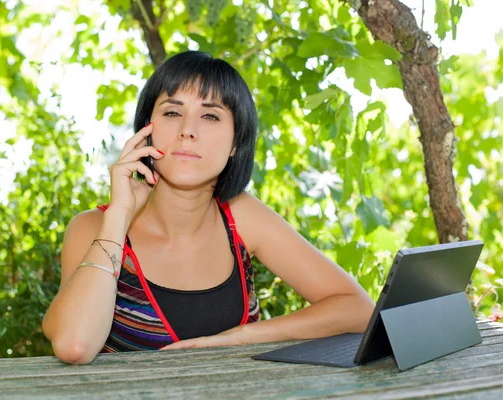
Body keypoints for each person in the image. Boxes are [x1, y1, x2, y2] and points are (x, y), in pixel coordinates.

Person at [42, 51, 374, 365]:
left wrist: (241, 337)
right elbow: (75, 345)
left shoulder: (242, 217)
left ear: (236, 143)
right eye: (172, 112)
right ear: (146, 130)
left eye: (210, 115)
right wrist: (118, 217)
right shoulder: (93, 227)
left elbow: (357, 309)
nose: (188, 130)